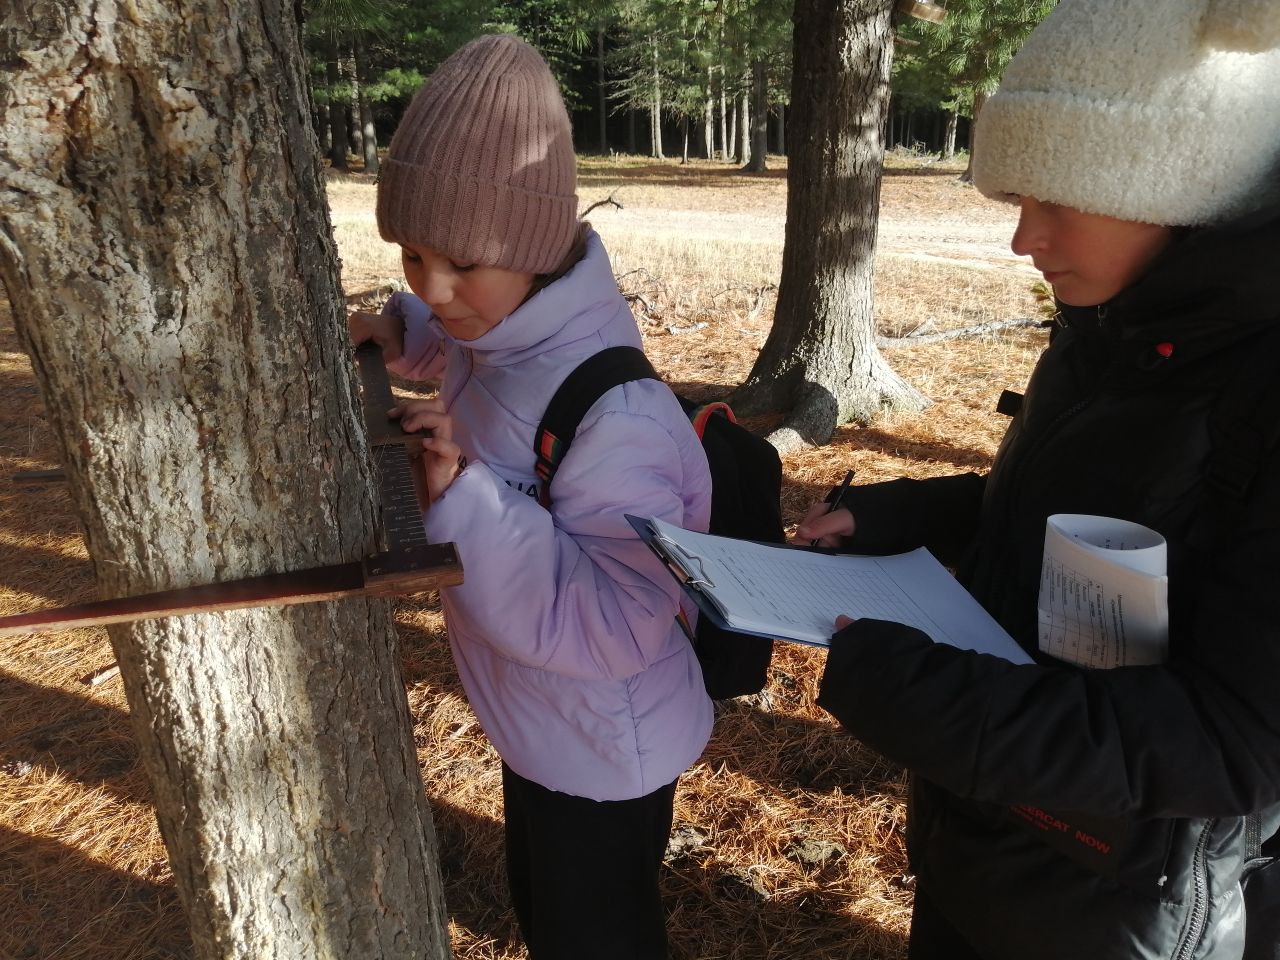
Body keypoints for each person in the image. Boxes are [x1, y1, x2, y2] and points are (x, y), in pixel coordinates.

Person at [796, 1, 1280, 957]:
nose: (1025, 240)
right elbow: (1087, 519)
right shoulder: (1119, 323)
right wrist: (905, 517)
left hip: (1130, 910)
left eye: (1059, 197)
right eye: (1019, 198)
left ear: (1185, 184)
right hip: (993, 849)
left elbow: (1238, 742)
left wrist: (936, 708)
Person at [349, 34, 713, 960]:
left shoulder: (618, 419)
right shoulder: (506, 314)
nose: (434, 285)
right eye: (410, 254)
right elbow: (474, 346)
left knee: (589, 924)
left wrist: (465, 495)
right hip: (544, 716)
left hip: (602, 743)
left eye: (457, 264)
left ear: (531, 247)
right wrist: (406, 330)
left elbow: (621, 619)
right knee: (548, 895)